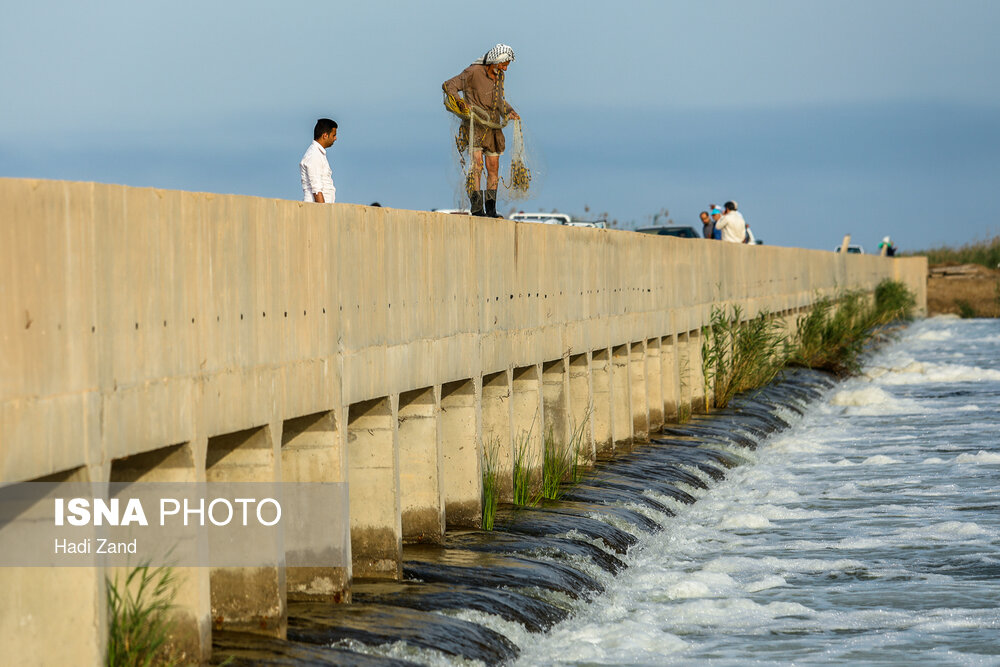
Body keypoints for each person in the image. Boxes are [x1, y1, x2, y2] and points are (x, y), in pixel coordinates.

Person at [443, 44, 520, 217]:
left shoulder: (499, 76)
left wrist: (509, 110)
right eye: (504, 64)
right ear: (495, 61)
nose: (505, 69)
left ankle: (491, 209)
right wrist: (463, 105)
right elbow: (449, 86)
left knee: (493, 167)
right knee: (476, 166)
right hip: (475, 125)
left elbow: (498, 100)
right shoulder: (473, 72)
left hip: (492, 126)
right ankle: (477, 208)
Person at [300, 118, 337, 203]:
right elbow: (316, 190)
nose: (335, 138)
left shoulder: (318, 153)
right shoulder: (314, 155)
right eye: (333, 135)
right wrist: (323, 213)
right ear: (325, 135)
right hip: (316, 210)